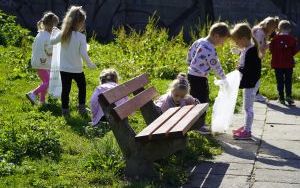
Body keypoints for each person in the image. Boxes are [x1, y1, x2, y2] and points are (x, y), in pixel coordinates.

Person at [50, 6, 96, 116]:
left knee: (66, 90)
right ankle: (82, 108)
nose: (83, 24)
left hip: (64, 69)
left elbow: (52, 42)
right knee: (82, 87)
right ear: (79, 22)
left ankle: (65, 111)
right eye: (83, 21)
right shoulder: (80, 37)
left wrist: (54, 32)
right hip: (77, 69)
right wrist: (90, 64)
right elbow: (83, 53)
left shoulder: (62, 34)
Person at [187, 22, 230, 134]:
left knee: (193, 98)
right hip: (200, 78)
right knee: (202, 101)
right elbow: (215, 65)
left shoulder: (199, 41)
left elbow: (189, 53)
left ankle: (193, 121)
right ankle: (199, 125)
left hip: (191, 75)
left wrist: (190, 65)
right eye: (222, 40)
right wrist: (224, 79)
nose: (222, 44)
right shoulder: (210, 49)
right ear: (216, 36)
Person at [231, 23, 262, 139]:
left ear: (243, 39)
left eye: (237, 42)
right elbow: (247, 58)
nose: (236, 44)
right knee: (247, 106)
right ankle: (245, 126)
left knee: (248, 108)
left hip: (251, 83)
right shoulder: (249, 48)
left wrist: (239, 68)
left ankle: (247, 131)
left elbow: (249, 69)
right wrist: (239, 52)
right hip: (251, 81)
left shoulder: (251, 51)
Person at [26, 12, 59, 105]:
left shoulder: (39, 34)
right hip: (43, 63)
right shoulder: (48, 37)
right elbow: (49, 51)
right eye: (55, 26)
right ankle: (33, 93)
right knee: (48, 82)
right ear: (51, 26)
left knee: (45, 82)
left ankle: (42, 101)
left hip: (37, 62)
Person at [269, 20, 298, 105]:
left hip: (277, 63)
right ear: (289, 29)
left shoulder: (275, 39)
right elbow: (295, 51)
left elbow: (271, 50)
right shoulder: (292, 39)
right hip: (288, 64)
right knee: (288, 80)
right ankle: (288, 96)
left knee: (280, 81)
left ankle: (281, 97)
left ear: (279, 29)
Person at [252, 16, 279, 102]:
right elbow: (260, 47)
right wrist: (271, 43)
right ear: (269, 27)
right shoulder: (260, 33)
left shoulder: (258, 29)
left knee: (255, 75)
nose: (273, 31)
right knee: (256, 75)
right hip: (255, 56)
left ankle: (255, 93)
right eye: (273, 29)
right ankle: (255, 94)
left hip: (253, 55)